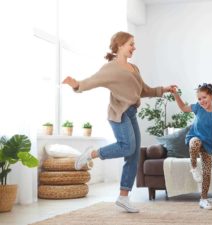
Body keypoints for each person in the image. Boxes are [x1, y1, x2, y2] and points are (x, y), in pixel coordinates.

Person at [62, 31, 176, 213]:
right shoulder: (110, 68)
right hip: (119, 113)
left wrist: (164, 89)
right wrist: (76, 84)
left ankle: (123, 197)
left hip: (131, 113)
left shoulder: (134, 68)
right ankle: (92, 153)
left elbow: (143, 90)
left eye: (134, 44)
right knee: (127, 147)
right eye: (131, 44)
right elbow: (91, 82)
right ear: (120, 45)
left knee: (133, 156)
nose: (134, 47)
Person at [171, 83, 212, 210]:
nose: (201, 101)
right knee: (195, 143)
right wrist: (175, 94)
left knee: (207, 172)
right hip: (195, 137)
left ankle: (203, 199)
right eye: (199, 99)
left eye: (204, 97)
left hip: (208, 145)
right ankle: (193, 167)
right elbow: (183, 107)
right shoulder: (198, 108)